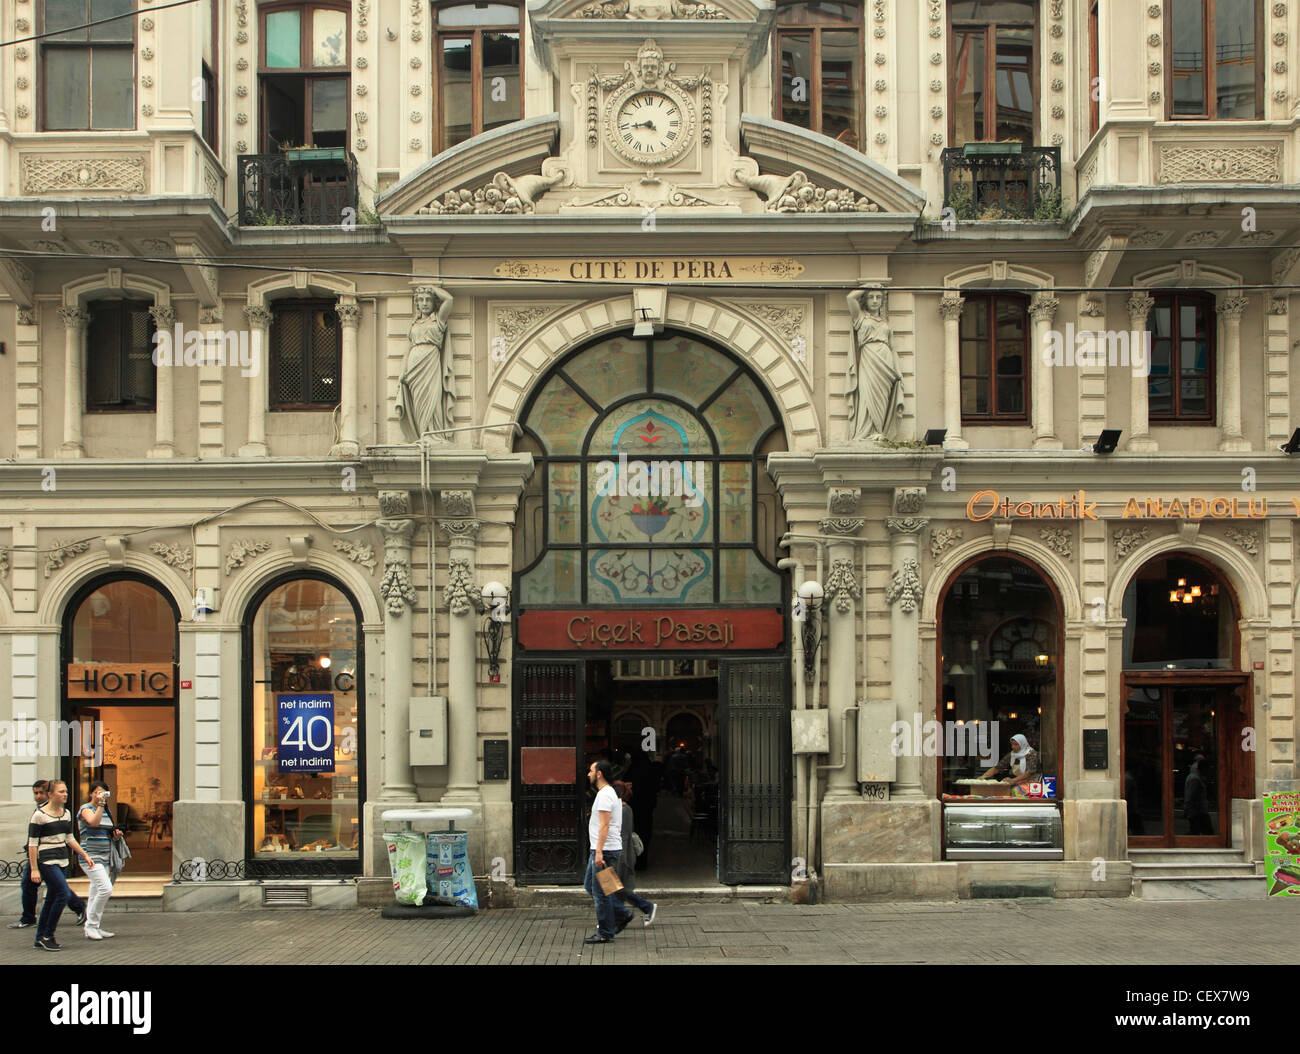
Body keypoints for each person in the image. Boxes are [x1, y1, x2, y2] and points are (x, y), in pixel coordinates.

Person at [28, 779, 96, 951]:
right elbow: (32, 844)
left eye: (66, 791)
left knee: (52, 898)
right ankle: (48, 935)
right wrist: (34, 868)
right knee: (63, 894)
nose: (65, 794)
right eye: (61, 792)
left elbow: (69, 838)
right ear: (50, 794)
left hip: (63, 859)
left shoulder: (66, 813)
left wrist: (84, 854)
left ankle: (39, 938)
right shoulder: (39, 815)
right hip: (47, 860)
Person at [582, 759, 634, 944]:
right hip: (603, 849)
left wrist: (598, 852)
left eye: (591, 770)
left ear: (599, 774)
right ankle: (622, 913)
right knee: (591, 885)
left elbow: (604, 825)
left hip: (604, 850)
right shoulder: (609, 792)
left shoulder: (605, 795)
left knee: (600, 893)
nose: (588, 774)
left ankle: (605, 932)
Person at [78, 780, 121, 940]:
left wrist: (115, 834)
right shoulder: (85, 809)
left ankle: (94, 926)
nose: (99, 795)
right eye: (96, 792)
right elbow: (93, 822)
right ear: (91, 794)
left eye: (103, 792)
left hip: (104, 856)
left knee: (95, 890)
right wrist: (101, 805)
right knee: (105, 888)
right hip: (90, 856)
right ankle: (91, 925)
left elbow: (106, 830)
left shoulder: (106, 811)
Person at [611, 782, 656, 927]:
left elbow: (623, 837)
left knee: (613, 888)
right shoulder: (622, 809)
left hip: (621, 855)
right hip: (619, 854)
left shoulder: (623, 810)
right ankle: (642, 908)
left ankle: (621, 915)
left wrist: (620, 860)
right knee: (614, 888)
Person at [8, 780, 49, 930]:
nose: (38, 796)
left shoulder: (47, 811)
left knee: (30, 885)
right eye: (35, 793)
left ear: (48, 793)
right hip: (38, 854)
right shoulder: (40, 809)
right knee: (55, 886)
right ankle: (28, 917)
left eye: (41, 793)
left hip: (41, 855)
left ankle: (28, 918)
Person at [1184, 754, 1213, 835]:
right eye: (1207, 769)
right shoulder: (1195, 778)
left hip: (1198, 811)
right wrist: (1188, 810)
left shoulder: (1196, 777)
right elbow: (1190, 796)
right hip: (1198, 812)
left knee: (1196, 832)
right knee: (1206, 833)